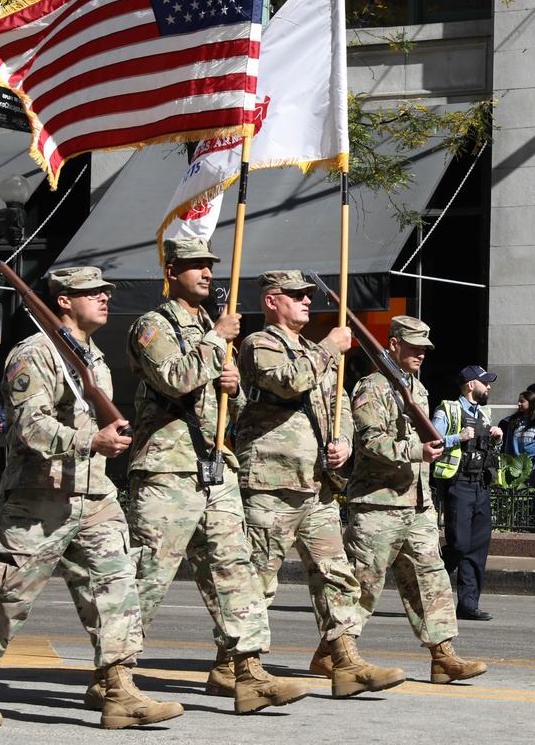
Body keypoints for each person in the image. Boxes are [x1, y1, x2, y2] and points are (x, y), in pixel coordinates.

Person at [0, 267, 183, 730]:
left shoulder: (94, 357)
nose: (104, 298)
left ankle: (118, 688)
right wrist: (91, 441)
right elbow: (30, 427)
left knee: (116, 588)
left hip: (94, 496)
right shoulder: (34, 353)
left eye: (107, 291)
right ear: (65, 302)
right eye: (92, 293)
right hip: (39, 497)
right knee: (7, 594)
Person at [124, 237, 310, 714]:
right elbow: (173, 379)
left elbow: (230, 406)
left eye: (209, 266)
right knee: (149, 574)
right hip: (168, 468)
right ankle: (115, 675)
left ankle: (246, 671)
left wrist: (233, 385)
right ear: (172, 272)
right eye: (195, 267)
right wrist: (215, 343)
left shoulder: (212, 327)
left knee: (235, 568)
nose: (207, 274)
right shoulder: (153, 325)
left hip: (215, 465)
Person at [236, 270, 405, 698]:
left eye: (308, 296)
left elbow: (340, 404)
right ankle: (240, 667)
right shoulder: (260, 345)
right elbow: (288, 381)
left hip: (317, 484)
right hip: (272, 481)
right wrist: (330, 347)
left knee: (337, 574)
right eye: (296, 296)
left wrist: (344, 441)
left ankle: (344, 659)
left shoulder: (318, 351)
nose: (307, 302)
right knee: (258, 579)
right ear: (273, 301)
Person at [343, 316, 487, 683]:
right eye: (415, 346)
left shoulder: (417, 390)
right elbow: (371, 442)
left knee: (432, 580)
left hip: (417, 504)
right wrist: (416, 450)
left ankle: (443, 657)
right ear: (393, 344)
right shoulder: (370, 387)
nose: (422, 353)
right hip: (377, 503)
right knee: (362, 585)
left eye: (426, 347)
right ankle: (336, 653)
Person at [432, 365, 503, 621]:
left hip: (481, 484)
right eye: (485, 382)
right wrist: (457, 437)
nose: (489, 386)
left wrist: (497, 439)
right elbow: (432, 441)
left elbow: (485, 449)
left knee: (478, 546)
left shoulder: (483, 413)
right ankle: (429, 582)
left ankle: (468, 604)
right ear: (471, 384)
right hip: (458, 484)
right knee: (460, 544)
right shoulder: (448, 410)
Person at [502, 390, 535, 486]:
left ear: (530, 402)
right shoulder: (514, 420)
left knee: (532, 492)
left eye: (522, 401)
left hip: (534, 462)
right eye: (519, 401)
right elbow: (509, 443)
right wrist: (507, 461)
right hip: (516, 463)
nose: (519, 404)